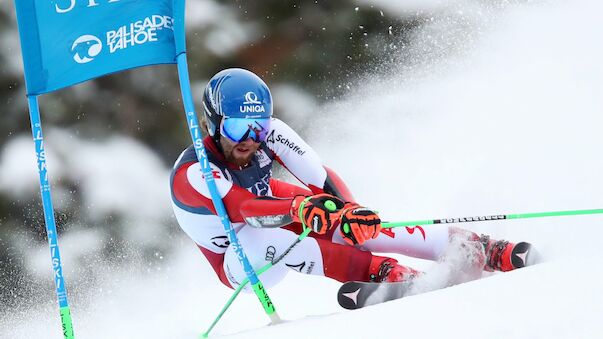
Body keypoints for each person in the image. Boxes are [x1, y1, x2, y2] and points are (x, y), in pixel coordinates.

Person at [170, 68, 536, 291]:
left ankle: (472, 246)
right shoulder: (194, 173)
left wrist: (349, 211)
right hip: (240, 260)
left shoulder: (271, 134)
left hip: (273, 202)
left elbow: (320, 175)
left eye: (259, 124)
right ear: (213, 123)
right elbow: (243, 208)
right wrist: (301, 207)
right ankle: (378, 272)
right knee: (265, 241)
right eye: (237, 126)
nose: (250, 137)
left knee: (343, 218)